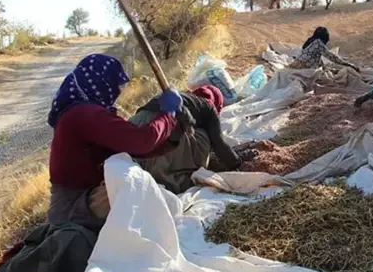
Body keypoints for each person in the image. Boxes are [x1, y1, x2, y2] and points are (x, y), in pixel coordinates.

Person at [47, 54, 184, 230]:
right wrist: (168, 114)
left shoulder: (82, 113)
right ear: (99, 82)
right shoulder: (83, 115)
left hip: (83, 200)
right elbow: (141, 141)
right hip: (74, 207)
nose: (117, 91)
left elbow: (130, 149)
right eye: (113, 84)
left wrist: (171, 135)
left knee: (163, 204)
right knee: (142, 196)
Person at [129, 84, 243, 194]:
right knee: (204, 136)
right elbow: (220, 145)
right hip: (162, 127)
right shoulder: (208, 106)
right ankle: (169, 178)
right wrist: (236, 164)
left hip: (136, 126)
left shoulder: (180, 97)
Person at [288, 26, 360, 71]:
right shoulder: (318, 43)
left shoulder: (311, 41)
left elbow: (316, 60)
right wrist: (350, 65)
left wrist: (329, 69)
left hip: (295, 65)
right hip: (303, 69)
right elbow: (332, 57)